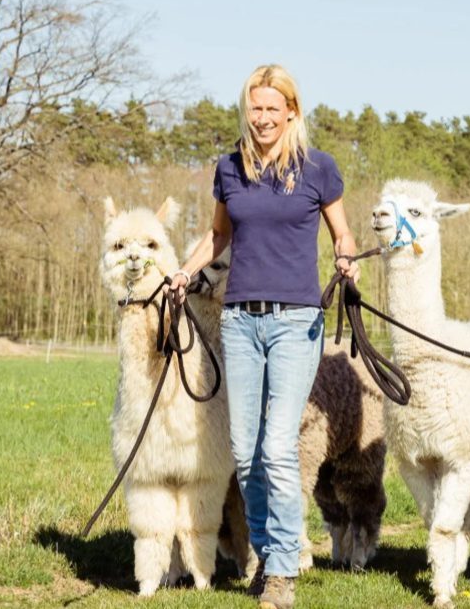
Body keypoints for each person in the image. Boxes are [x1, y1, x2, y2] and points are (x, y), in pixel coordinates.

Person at [169, 64, 359, 609]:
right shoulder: (230, 169)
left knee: (277, 448)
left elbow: (341, 232)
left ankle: (281, 570)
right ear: (246, 110)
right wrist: (183, 273)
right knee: (246, 454)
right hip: (240, 320)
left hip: (296, 322)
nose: (263, 117)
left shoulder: (318, 169)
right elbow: (218, 234)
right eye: (256, 108)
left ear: (292, 112)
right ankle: (264, 555)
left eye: (274, 108)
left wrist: (347, 259)